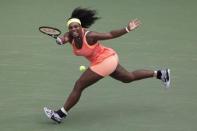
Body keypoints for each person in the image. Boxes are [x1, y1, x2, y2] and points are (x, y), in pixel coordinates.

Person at [43, 7, 170, 124]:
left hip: (106, 60)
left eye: (76, 27)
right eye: (71, 27)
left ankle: (60, 114)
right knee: (128, 78)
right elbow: (64, 38)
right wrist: (60, 41)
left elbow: (110, 34)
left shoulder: (91, 35)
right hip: (106, 59)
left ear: (81, 26)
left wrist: (127, 28)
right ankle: (160, 74)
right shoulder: (69, 35)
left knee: (79, 85)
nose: (74, 29)